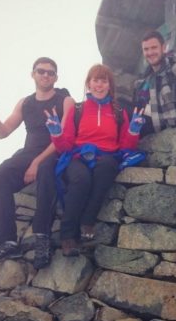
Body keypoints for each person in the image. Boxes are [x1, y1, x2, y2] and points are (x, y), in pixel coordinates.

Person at [33, 64, 144, 260]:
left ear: (109, 85)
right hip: (78, 156)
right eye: (95, 80)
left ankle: (87, 221)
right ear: (88, 84)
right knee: (80, 180)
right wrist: (57, 134)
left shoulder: (119, 112)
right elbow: (64, 146)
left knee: (107, 168)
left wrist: (133, 130)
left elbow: (125, 145)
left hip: (106, 156)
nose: (99, 85)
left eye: (104, 81)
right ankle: (68, 236)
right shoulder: (78, 109)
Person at [0, 57, 74, 264]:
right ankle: (7, 243)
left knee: (45, 171)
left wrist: (37, 162)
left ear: (56, 77)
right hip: (28, 152)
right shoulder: (25, 103)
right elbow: (3, 132)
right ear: (33, 74)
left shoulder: (65, 100)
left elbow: (65, 136)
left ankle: (43, 238)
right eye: (41, 71)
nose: (45, 75)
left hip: (56, 151)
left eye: (50, 73)